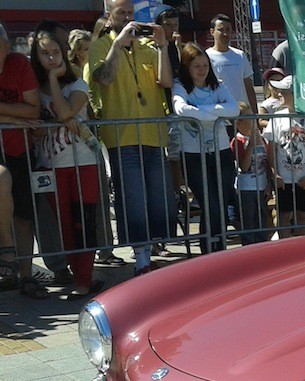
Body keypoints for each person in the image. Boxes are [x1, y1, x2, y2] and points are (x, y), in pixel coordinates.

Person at [85, 0, 176, 276]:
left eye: (130, 13)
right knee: (133, 199)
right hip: (122, 136)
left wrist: (162, 46)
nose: (127, 18)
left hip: (152, 133)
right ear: (108, 16)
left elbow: (166, 82)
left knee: (158, 197)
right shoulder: (100, 46)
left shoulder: (147, 46)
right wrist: (118, 44)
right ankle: (141, 258)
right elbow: (104, 78)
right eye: (121, 13)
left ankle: (154, 250)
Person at [31, 28, 103, 298]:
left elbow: (64, 111)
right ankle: (77, 275)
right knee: (64, 226)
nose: (51, 58)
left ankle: (84, 280)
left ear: (64, 53)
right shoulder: (33, 90)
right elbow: (35, 129)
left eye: (55, 52)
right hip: (49, 165)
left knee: (83, 222)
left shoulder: (77, 85)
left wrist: (53, 79)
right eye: (45, 54)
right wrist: (56, 122)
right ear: (36, 56)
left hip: (82, 162)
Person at [171, 42, 239, 253]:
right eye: (196, 66)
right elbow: (181, 109)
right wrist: (217, 113)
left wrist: (201, 110)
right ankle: (209, 251)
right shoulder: (180, 86)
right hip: (193, 153)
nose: (202, 70)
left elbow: (234, 109)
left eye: (205, 65)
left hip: (221, 151)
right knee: (209, 205)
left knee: (221, 203)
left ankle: (219, 248)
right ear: (187, 67)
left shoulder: (217, 86)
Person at [0, 21, 44, 298]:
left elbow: (34, 111)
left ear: (7, 46)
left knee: (24, 216)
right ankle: (6, 254)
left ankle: (26, 275)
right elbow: (25, 111)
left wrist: (7, 115)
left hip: (19, 150)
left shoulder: (18, 64)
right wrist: (13, 117)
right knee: (1, 180)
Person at [262, 74, 305, 238]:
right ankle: (285, 246)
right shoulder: (277, 118)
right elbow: (271, 148)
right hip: (283, 179)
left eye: (284, 92)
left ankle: (302, 246)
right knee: (283, 216)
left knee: (302, 216)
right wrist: (274, 173)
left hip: (303, 177)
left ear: (295, 94)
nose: (279, 94)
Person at [230, 104, 271, 244]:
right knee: (249, 223)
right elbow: (244, 167)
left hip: (262, 186)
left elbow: (266, 162)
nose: (254, 120)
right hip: (246, 188)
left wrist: (269, 183)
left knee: (262, 221)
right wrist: (251, 145)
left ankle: (262, 247)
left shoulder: (262, 139)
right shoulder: (237, 141)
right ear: (239, 123)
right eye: (249, 117)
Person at [205, 14, 256, 113]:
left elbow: (248, 86)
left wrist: (255, 113)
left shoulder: (240, 55)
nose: (225, 34)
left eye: (228, 30)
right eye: (220, 30)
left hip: (243, 113)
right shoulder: (206, 56)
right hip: (220, 113)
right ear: (212, 32)